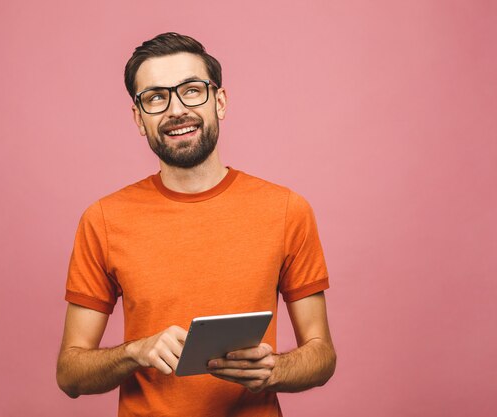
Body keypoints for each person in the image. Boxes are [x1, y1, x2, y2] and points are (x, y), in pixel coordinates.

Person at [56, 32, 336, 417]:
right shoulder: (103, 220)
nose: (175, 110)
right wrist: (134, 352)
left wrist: (275, 369)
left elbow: (322, 354)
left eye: (191, 90)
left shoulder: (287, 209)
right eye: (156, 97)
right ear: (139, 118)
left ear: (219, 102)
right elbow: (70, 374)